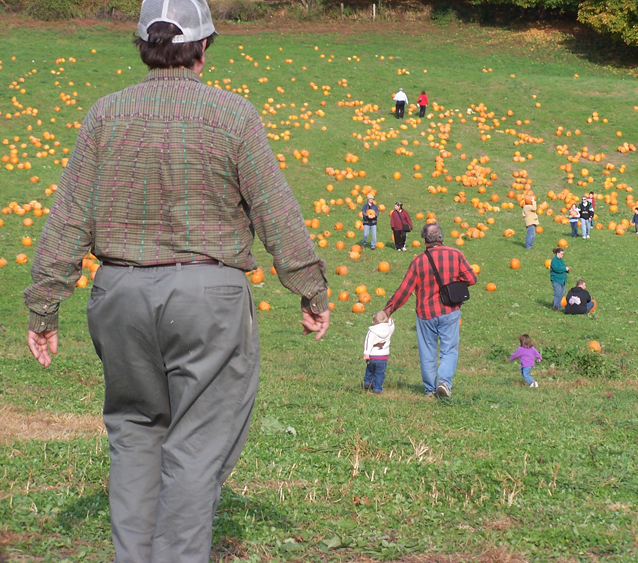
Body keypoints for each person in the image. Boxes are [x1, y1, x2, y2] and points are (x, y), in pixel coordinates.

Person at [23, 2, 330, 560]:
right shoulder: (232, 115)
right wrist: (310, 288)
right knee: (196, 447)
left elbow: (68, 214)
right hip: (208, 298)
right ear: (204, 47)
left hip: (119, 293)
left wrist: (45, 306)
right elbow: (274, 210)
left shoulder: (105, 115)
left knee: (135, 436)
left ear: (143, 45)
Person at [383, 223, 477, 398]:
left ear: (424, 239)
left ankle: (430, 390)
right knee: (449, 349)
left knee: (427, 352)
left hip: (426, 313)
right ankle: (444, 382)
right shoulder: (456, 255)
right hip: (450, 311)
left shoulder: (418, 261)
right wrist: (454, 282)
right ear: (441, 237)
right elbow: (472, 278)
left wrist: (388, 310)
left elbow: (405, 290)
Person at [363, 310, 395, 394]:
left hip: (372, 357)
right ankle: (377, 389)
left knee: (370, 370)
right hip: (382, 358)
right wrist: (391, 320)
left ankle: (367, 383)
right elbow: (392, 327)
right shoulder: (388, 330)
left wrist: (366, 353)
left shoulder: (372, 331)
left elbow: (368, 342)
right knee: (379, 374)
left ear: (373, 321)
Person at [550, 247, 571, 311]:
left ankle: (558, 305)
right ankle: (556, 306)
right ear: (557, 253)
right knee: (557, 293)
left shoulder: (561, 260)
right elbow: (557, 269)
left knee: (562, 293)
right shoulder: (554, 260)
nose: (562, 255)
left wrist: (567, 269)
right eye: (561, 254)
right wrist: (565, 269)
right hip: (556, 279)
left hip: (562, 280)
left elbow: (562, 267)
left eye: (563, 254)